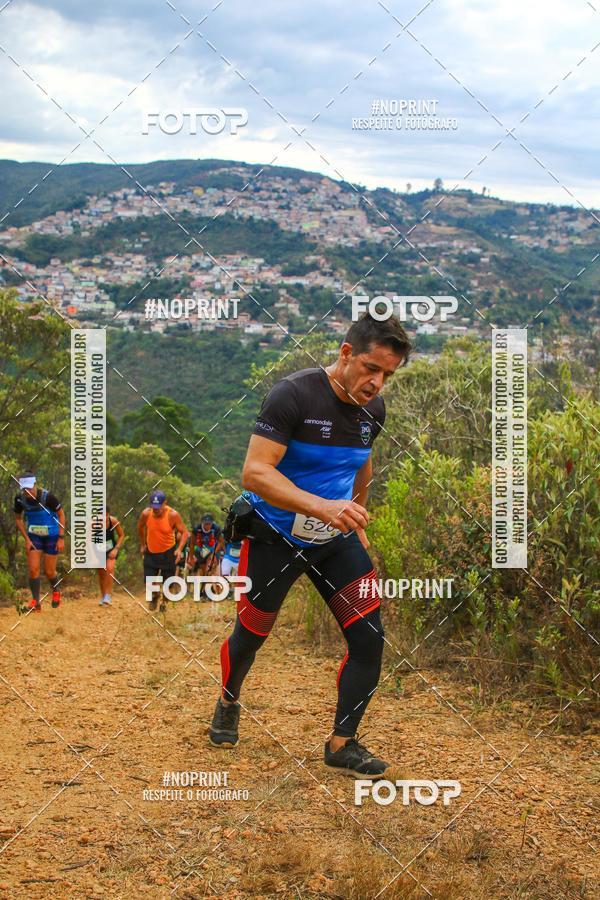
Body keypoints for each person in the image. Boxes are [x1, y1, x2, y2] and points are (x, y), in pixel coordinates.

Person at [208, 313, 411, 779]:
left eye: (388, 375)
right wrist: (323, 506)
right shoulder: (294, 394)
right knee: (251, 634)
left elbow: (363, 467)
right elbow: (256, 473)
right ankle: (229, 698)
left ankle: (343, 743)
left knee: (369, 638)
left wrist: (354, 517)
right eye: (371, 369)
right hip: (274, 537)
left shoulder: (372, 411)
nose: (377, 383)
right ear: (345, 354)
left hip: (334, 541)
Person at [14, 471, 66, 612]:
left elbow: (61, 514)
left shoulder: (47, 497)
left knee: (49, 571)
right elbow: (18, 518)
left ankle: (56, 590)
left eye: (29, 488)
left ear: (35, 484)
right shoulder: (20, 499)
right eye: (24, 489)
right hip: (34, 536)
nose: (27, 491)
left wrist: (61, 537)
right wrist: (26, 538)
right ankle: (36, 603)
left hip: (52, 536)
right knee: (33, 569)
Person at [138, 491, 189, 611]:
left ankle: (164, 603)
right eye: (153, 507)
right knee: (149, 580)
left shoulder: (173, 515)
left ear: (165, 504)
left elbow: (185, 532)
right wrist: (142, 544)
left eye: (158, 507)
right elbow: (140, 526)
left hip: (168, 552)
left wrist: (179, 549)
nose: (155, 510)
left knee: (168, 583)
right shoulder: (146, 514)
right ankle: (155, 596)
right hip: (151, 551)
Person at [96, 507, 124, 606]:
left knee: (109, 569)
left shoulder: (113, 521)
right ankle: (103, 596)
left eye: (105, 515)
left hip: (111, 549)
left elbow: (121, 535)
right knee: (101, 573)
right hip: (98, 549)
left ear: (108, 514)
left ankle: (108, 596)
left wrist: (116, 549)